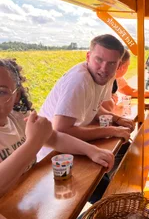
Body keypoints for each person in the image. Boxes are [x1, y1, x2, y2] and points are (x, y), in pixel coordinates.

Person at [0, 59, 115, 197]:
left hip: (30, 197)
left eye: (2, 92)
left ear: (16, 95)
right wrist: (34, 142)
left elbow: (54, 138)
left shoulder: (19, 119)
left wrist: (91, 150)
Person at [40, 34, 134, 144]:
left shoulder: (107, 76)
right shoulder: (79, 80)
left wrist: (117, 119)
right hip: (54, 154)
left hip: (75, 143)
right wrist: (111, 130)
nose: (104, 68)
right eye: (99, 60)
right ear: (88, 57)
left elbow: (95, 107)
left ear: (118, 65)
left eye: (111, 63)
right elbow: (61, 130)